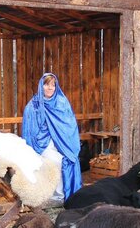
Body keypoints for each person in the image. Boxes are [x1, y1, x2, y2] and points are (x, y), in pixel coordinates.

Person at [22, 73, 82, 201]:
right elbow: (30, 131)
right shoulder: (34, 105)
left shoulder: (62, 102)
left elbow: (69, 126)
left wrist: (66, 144)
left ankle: (68, 194)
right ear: (40, 86)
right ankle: (57, 196)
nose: (50, 88)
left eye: (53, 85)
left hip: (61, 143)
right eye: (46, 84)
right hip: (43, 144)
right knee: (57, 161)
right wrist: (39, 146)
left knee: (70, 159)